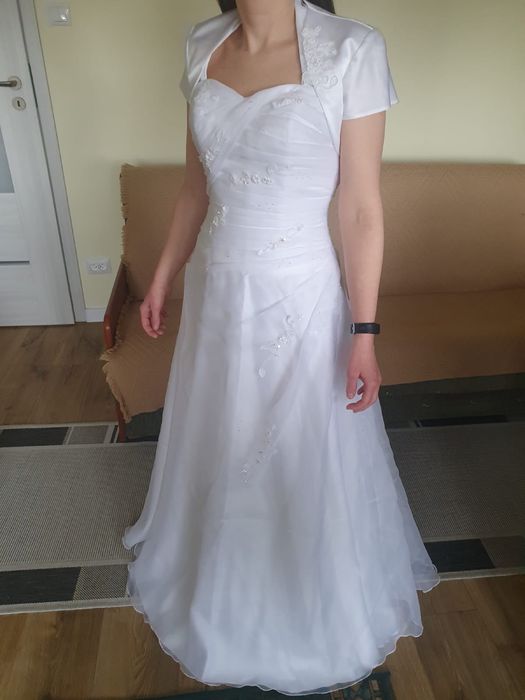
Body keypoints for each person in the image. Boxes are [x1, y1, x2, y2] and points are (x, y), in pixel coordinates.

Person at [121, 0, 440, 694]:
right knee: (223, 437)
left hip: (300, 296)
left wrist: (364, 332)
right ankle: (219, 575)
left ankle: (307, 594)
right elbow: (193, 188)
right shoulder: (202, 45)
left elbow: (360, 207)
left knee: (296, 448)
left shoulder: (350, 49)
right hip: (216, 291)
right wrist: (163, 276)